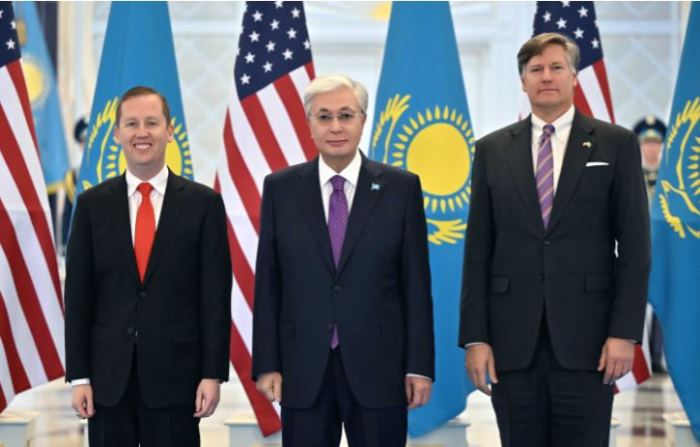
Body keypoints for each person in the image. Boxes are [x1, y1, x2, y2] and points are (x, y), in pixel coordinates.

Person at [459, 33, 650, 447]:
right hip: (512, 345)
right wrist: (476, 338)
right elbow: (478, 251)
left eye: (556, 67)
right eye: (536, 69)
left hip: (590, 342)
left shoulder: (616, 144)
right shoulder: (492, 149)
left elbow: (635, 249)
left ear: (574, 76)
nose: (546, 76)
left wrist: (624, 333)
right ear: (523, 80)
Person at [252, 74, 434, 446]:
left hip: (380, 366)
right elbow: (269, 284)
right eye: (324, 117)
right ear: (309, 124)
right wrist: (267, 363)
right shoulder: (280, 189)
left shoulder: (401, 188)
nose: (335, 126)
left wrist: (419, 366)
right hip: (303, 368)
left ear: (363, 121)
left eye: (346, 115)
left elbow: (416, 285)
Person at [65, 86, 232, 447]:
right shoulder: (91, 206)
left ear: (170, 131)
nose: (142, 132)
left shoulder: (203, 205)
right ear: (117, 134)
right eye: (132, 123)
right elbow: (78, 298)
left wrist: (212, 374)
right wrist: (79, 377)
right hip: (108, 381)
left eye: (152, 123)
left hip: (178, 380)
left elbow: (215, 298)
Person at [633, 115, 667, 373]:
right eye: (646, 142)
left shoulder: (670, 180)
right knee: (634, 301)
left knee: (661, 305)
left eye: (655, 143)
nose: (651, 148)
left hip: (663, 251)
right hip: (637, 249)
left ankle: (656, 357)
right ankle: (637, 356)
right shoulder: (632, 175)